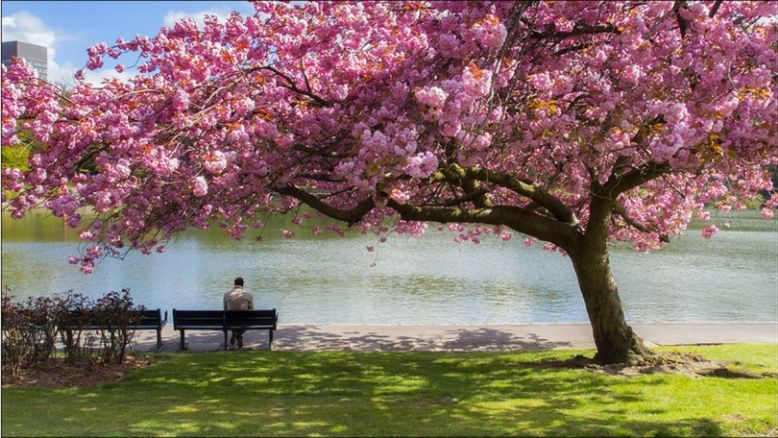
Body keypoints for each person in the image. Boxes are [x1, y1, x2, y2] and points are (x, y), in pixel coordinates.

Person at [223, 277, 254, 348]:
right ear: (243, 284)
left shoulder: (226, 294)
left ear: (234, 284)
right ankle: (238, 334)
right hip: (244, 321)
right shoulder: (248, 294)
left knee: (231, 321)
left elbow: (225, 309)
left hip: (230, 321)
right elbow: (252, 310)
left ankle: (235, 333)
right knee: (248, 320)